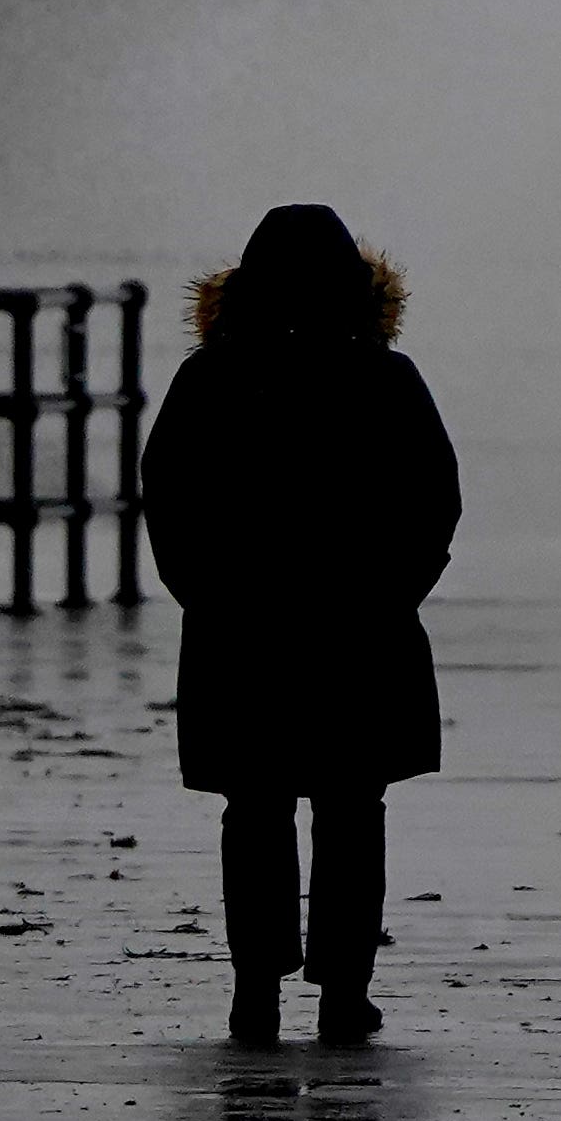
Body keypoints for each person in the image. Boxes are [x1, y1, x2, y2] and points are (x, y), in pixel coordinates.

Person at [141, 204, 461, 1046]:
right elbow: (433, 506)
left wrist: (209, 598)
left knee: (254, 811)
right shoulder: (387, 381)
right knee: (353, 812)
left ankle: (255, 991)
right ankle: (343, 993)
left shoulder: (207, 382)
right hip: (361, 636)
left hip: (240, 636)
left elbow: (169, 503)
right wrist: (388, 598)